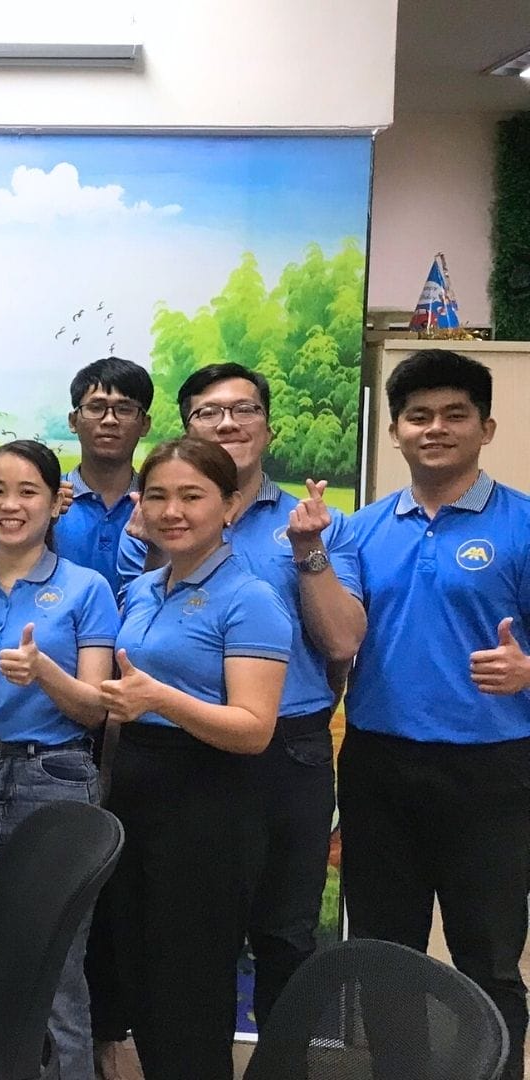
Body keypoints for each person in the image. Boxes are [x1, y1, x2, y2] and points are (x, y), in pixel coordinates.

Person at [117, 362, 365, 1027]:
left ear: (268, 425)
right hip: (185, 754)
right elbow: (145, 623)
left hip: (287, 747)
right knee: (186, 937)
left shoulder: (318, 521)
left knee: (285, 930)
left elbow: (343, 643)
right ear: (187, 425)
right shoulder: (159, 517)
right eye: (208, 412)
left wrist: (308, 550)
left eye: (243, 409)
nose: (227, 423)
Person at [340, 349, 530, 1080]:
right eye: (419, 416)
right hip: (377, 764)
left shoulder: (519, 525)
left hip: (491, 772)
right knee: (386, 954)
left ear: (486, 427)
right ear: (395, 432)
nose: (435, 429)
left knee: (488, 956)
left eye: (455, 415)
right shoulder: (362, 530)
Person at [99, 437, 290, 1080]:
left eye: (191, 496)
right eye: (157, 495)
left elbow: (254, 728)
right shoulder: (146, 587)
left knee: (191, 986)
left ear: (231, 506)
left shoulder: (252, 597)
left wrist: (160, 697)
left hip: (210, 801)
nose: (172, 510)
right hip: (134, 793)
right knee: (142, 977)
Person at [0, 440, 119, 1080]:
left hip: (56, 781)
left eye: (28, 491)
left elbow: (95, 709)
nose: (11, 505)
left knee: (58, 969)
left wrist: (43, 674)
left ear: (53, 502)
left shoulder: (85, 588)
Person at [55, 357, 154, 598]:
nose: (110, 420)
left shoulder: (159, 505)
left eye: (125, 409)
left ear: (145, 425)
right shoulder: (47, 500)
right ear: (73, 421)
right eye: (96, 407)